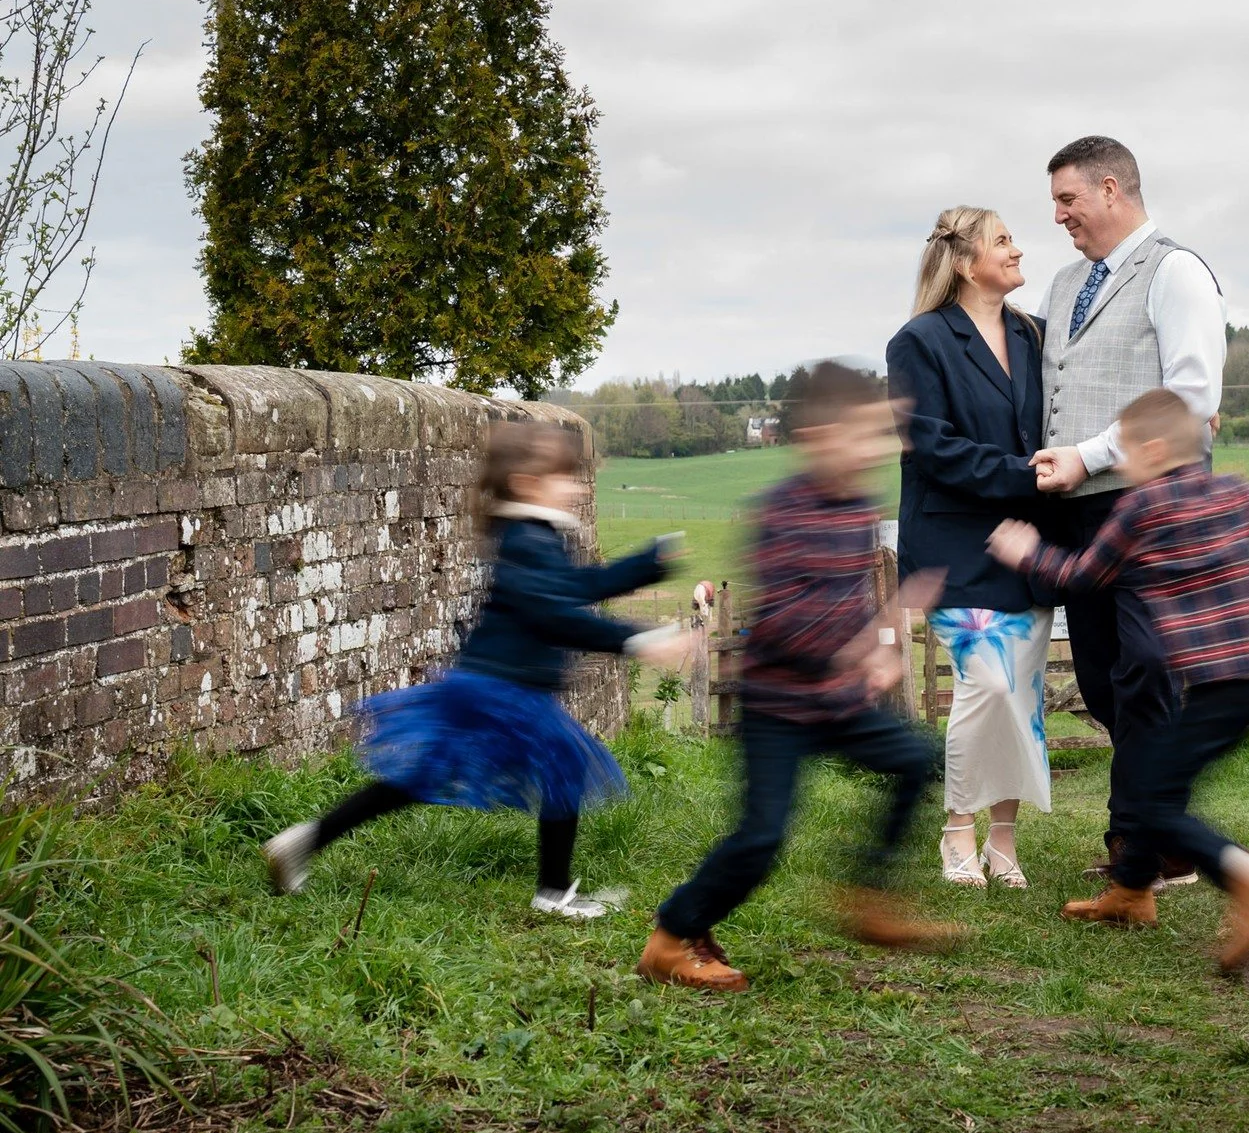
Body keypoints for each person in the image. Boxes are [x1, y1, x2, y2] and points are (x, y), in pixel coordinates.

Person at [261, 422, 694, 918]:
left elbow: (576, 588)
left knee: (419, 777)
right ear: (529, 485)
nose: (576, 488)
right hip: (506, 689)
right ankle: (553, 894)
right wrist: (636, 639)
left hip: (480, 683)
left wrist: (648, 564)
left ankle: (303, 841)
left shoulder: (533, 537)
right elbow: (552, 615)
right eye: (565, 478)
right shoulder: (529, 539)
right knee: (565, 764)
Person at [636, 362, 957, 992]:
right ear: (818, 437)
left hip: (836, 701)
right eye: (862, 436)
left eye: (880, 435)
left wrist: (882, 642)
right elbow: (781, 621)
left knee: (917, 758)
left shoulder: (859, 509)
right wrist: (852, 651)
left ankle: (869, 897)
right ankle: (670, 938)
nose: (875, 450)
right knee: (762, 838)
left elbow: (854, 601)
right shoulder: (780, 513)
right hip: (778, 707)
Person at [988, 389, 1249, 970]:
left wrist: (1027, 552)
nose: (1118, 463)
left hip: (1209, 686)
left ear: (1150, 449)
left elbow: (1083, 576)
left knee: (1151, 798)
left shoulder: (1139, 510)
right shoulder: (1236, 490)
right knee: (1154, 782)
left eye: (1124, 452)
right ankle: (1131, 893)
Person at [1030, 136, 1228, 881]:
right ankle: (1161, 826)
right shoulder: (1061, 285)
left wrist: (1093, 450)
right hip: (1082, 512)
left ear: (1111, 189)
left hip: (1154, 502)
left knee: (1145, 670)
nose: (1058, 216)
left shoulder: (1175, 271)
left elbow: (1190, 395)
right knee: (1100, 676)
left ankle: (1144, 843)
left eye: (1068, 199)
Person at [887, 207, 1053, 890]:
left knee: (1021, 694)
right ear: (965, 262)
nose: (1017, 251)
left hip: (1028, 546)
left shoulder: (1035, 335)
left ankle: (1003, 839)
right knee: (984, 686)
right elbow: (934, 447)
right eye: (1003, 241)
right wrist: (1029, 474)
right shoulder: (918, 343)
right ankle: (958, 828)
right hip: (954, 544)